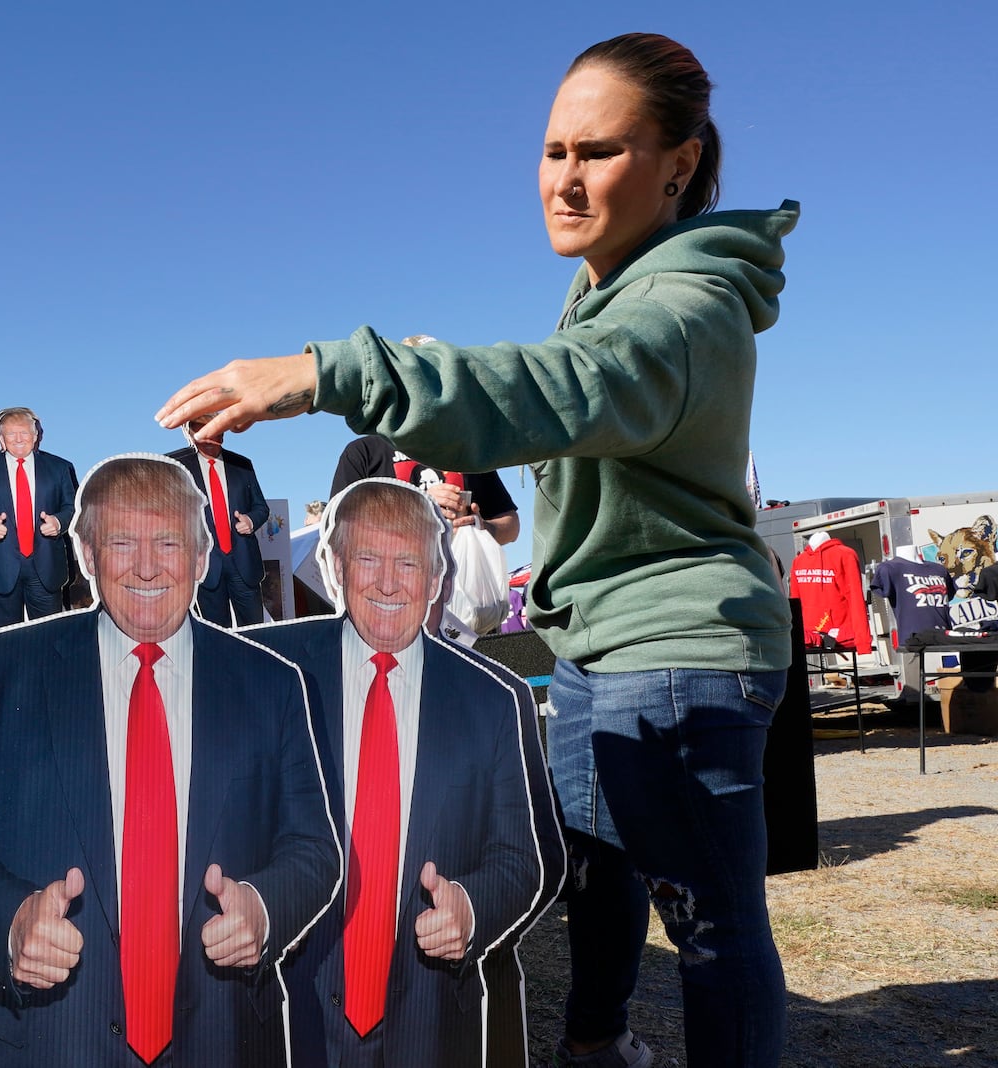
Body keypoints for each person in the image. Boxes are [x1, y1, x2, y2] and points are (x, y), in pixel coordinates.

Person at [158, 32, 794, 1068]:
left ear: (678, 165)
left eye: (599, 152)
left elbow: (553, 390)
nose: (565, 180)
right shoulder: (613, 291)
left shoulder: (682, 305)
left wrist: (332, 373)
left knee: (713, 928)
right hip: (597, 645)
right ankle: (596, 1043)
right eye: (552, 152)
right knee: (594, 871)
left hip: (675, 650)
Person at [0, 454, 340, 1067]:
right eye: (123, 542)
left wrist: (265, 909)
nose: (149, 566)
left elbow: (314, 847)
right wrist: (9, 919)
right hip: (47, 1041)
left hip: (228, 1040)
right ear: (85, 552)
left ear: (203, 552)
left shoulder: (273, 682)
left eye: (169, 541)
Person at [245, 480, 557, 1066]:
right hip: (284, 1008)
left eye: (409, 562)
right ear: (335, 566)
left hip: (433, 1014)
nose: (389, 583)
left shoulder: (493, 699)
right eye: (367, 558)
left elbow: (522, 857)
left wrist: (472, 904)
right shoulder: (261, 677)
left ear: (438, 576)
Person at [0, 407, 80, 629]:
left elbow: (74, 506)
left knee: (49, 639)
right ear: (0, 438)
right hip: (0, 567)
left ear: (36, 435)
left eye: (24, 432)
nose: (19, 439)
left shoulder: (60, 468)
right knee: (3, 643)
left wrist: (59, 522)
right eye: (11, 434)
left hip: (46, 568)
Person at [166, 415, 271, 626]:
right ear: (189, 433)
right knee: (215, 636)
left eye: (216, 429)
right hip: (204, 565)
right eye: (202, 429)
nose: (211, 435)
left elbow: (261, 507)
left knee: (255, 633)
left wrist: (250, 521)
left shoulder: (242, 464)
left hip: (243, 562)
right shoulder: (175, 466)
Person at [330, 434, 521, 546]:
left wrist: (483, 528)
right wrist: (417, 506)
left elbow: (512, 525)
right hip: (388, 593)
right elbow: (337, 526)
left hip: (459, 595)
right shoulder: (363, 452)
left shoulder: (466, 452)